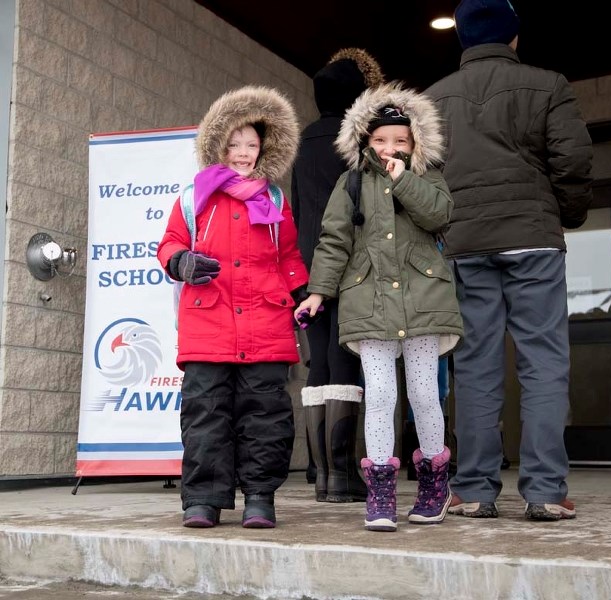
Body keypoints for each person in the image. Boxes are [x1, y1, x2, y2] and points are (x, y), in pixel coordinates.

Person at [424, 0, 593, 520]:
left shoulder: (432, 99)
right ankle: (544, 490)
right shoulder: (548, 85)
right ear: (514, 37)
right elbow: (574, 156)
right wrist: (563, 211)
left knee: (474, 363)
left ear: (464, 41)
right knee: (543, 361)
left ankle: (474, 489)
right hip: (533, 240)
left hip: (466, 242)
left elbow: (423, 174)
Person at [295, 82, 464, 531]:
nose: (391, 147)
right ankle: (382, 489)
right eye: (381, 139)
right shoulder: (349, 182)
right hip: (368, 301)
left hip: (423, 299)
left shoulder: (426, 175)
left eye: (401, 140)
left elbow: (438, 215)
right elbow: (333, 240)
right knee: (382, 395)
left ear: (415, 143)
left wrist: (402, 179)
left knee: (426, 393)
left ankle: (433, 481)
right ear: (365, 142)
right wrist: (318, 292)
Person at [157, 85, 308, 529]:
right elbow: (169, 244)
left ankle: (260, 497)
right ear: (219, 145)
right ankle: (203, 499)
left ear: (265, 149)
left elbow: (289, 257)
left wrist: (303, 293)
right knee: (206, 414)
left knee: (266, 416)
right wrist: (181, 262)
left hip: (266, 322)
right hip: (209, 322)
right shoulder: (194, 197)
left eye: (252, 145)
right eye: (235, 144)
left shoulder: (275, 200)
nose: (243, 153)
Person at [291, 48, 384, 503]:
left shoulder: (303, 140)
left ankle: (322, 473)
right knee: (345, 357)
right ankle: (343, 475)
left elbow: (296, 210)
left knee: (319, 363)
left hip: (308, 269)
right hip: (349, 265)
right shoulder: (354, 143)